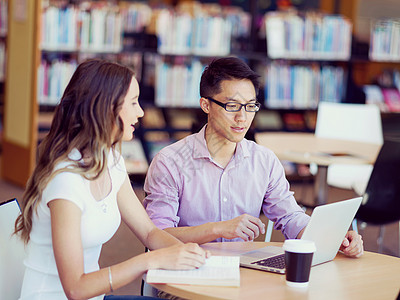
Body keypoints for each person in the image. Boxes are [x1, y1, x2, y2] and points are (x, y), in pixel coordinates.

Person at [14, 59, 209, 300]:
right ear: (106, 107)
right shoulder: (65, 181)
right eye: (134, 103)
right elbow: (76, 289)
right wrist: (150, 260)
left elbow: (148, 232)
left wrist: (189, 255)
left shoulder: (110, 160)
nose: (141, 112)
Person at [143, 57, 363, 258]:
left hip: (242, 272)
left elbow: (290, 217)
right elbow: (157, 236)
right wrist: (217, 229)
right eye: (232, 106)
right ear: (206, 105)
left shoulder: (264, 160)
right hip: (185, 271)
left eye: (250, 106)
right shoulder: (169, 162)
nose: (242, 117)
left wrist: (335, 237)